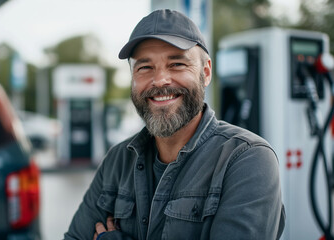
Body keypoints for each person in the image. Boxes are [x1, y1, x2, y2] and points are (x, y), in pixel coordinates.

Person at [64, 9, 285, 240]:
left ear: (206, 72)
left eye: (177, 64)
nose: (159, 81)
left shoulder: (247, 159)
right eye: (145, 67)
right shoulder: (117, 161)